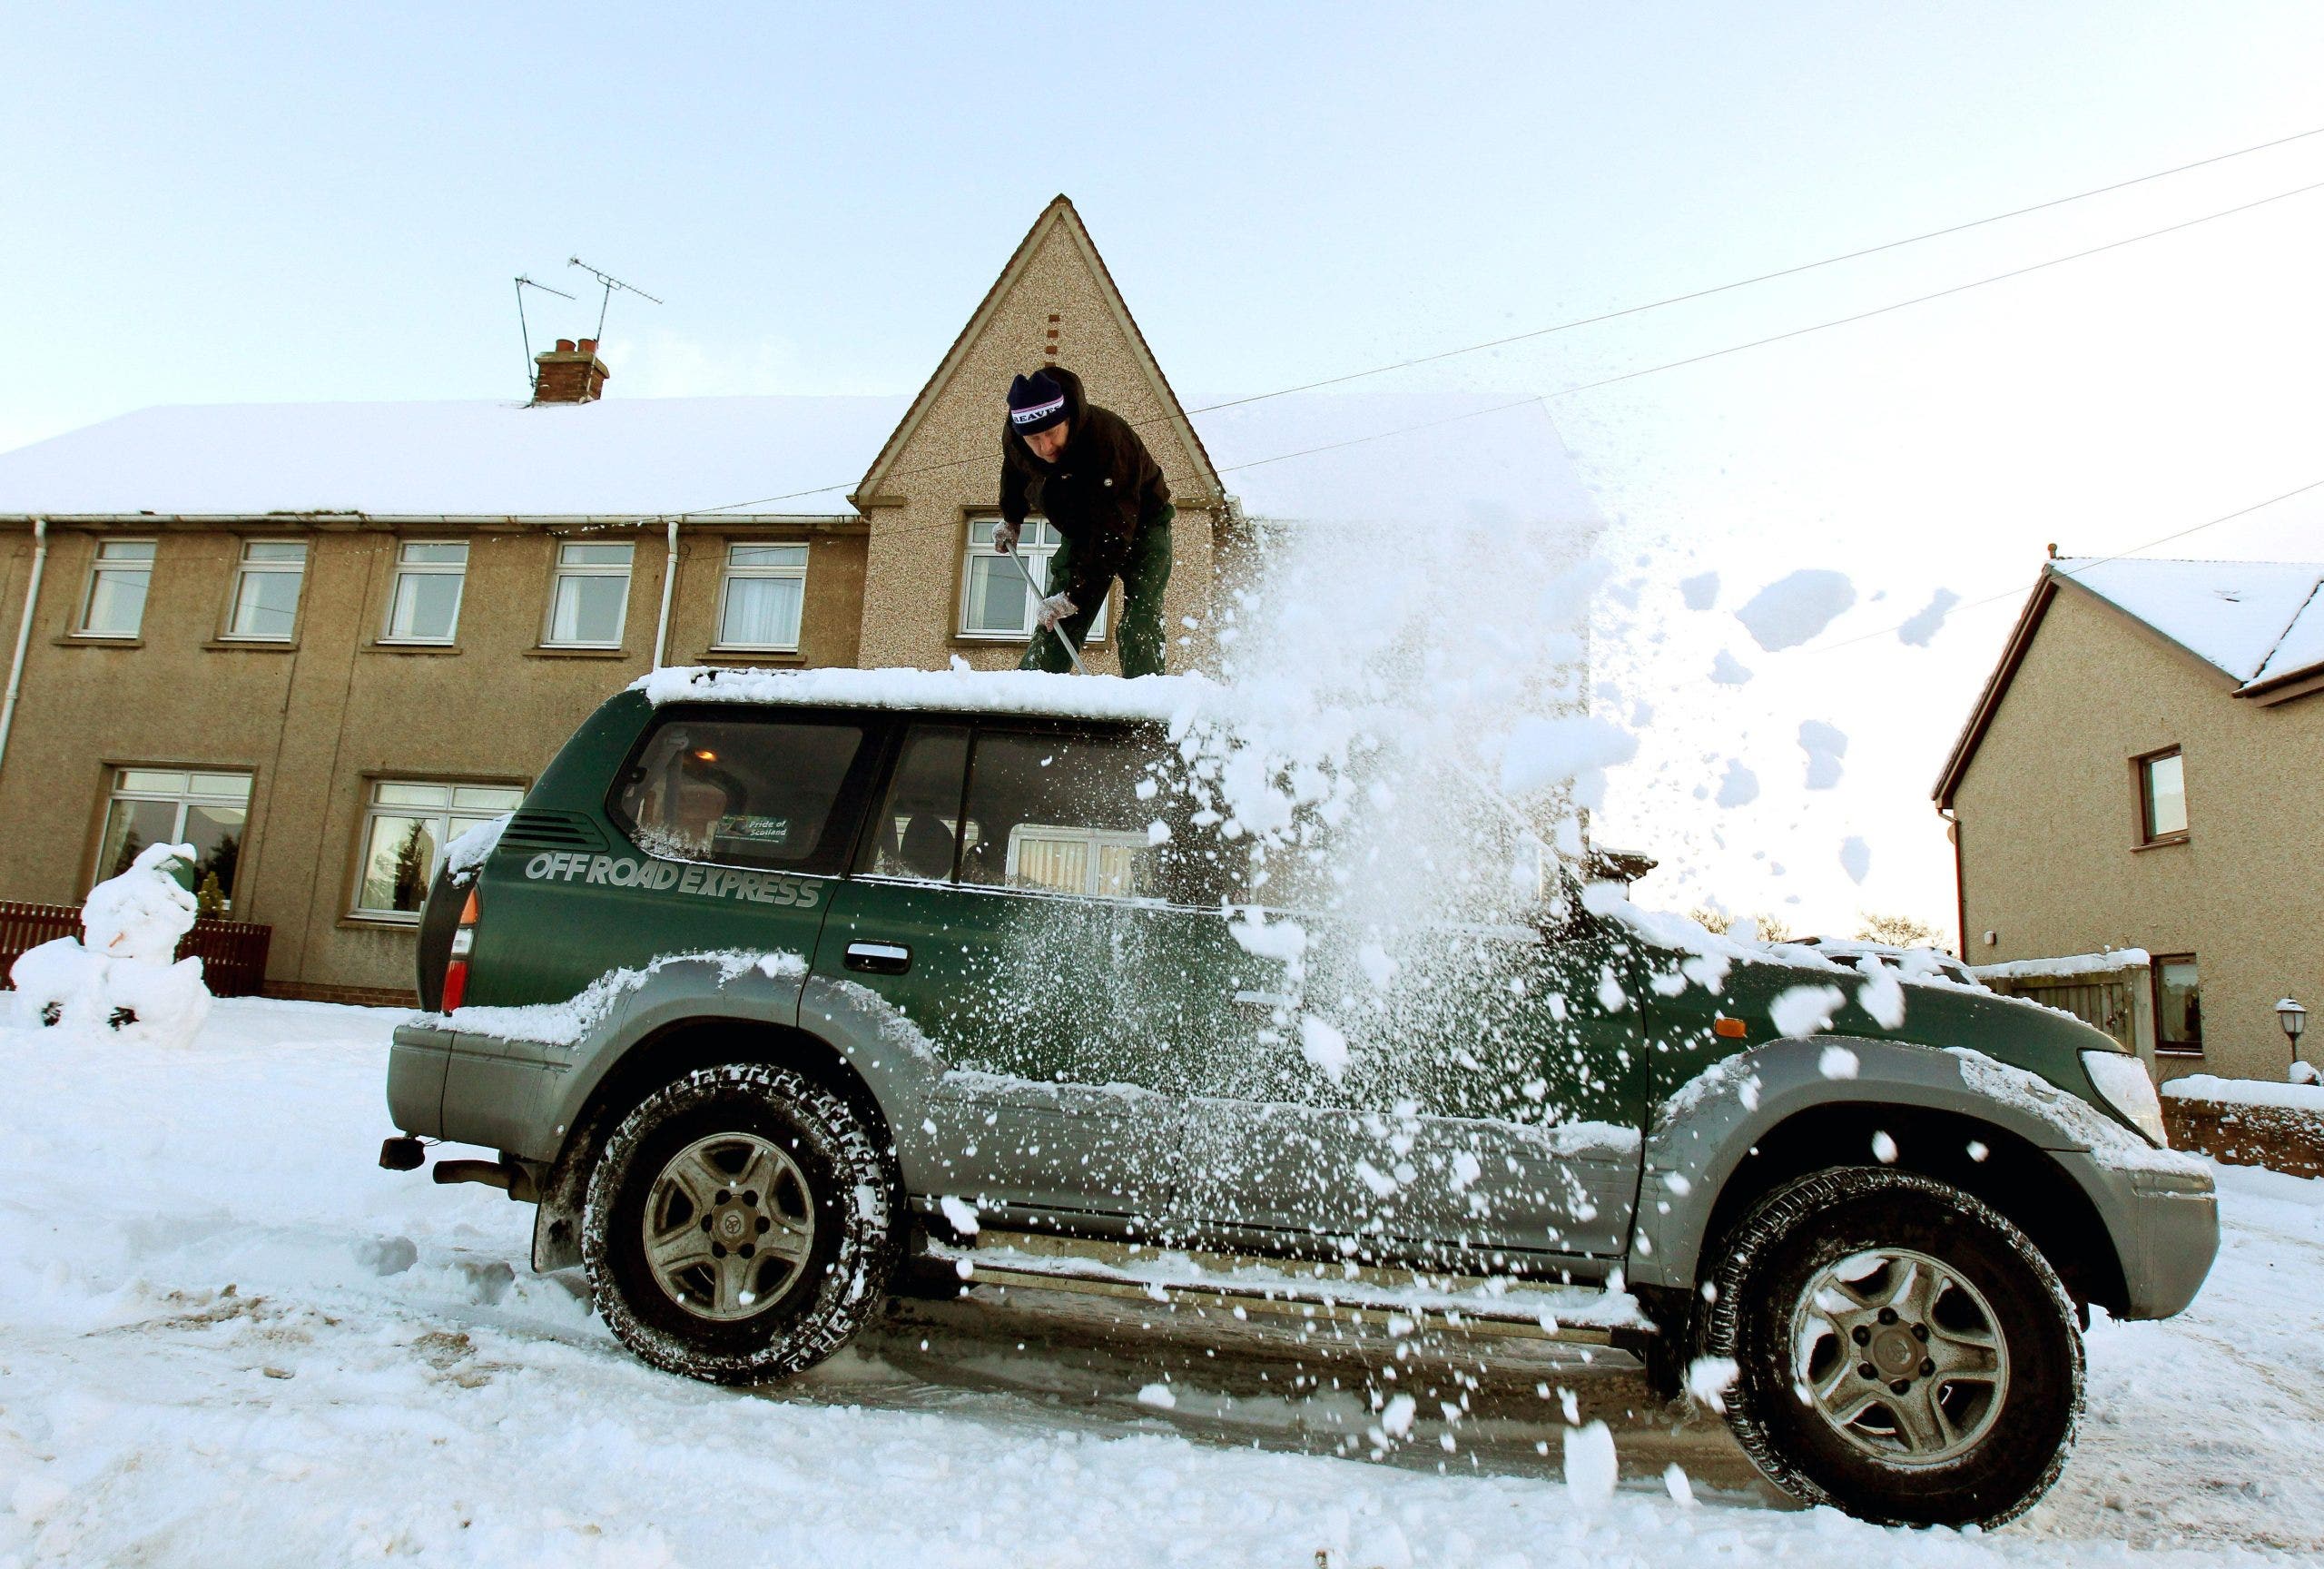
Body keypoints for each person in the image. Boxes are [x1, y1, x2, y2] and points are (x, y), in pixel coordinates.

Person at [998, 366, 1174, 676]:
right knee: (1057, 617)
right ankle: (1033, 693)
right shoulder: (1016, 436)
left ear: (1067, 419)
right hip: (1081, 528)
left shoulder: (1106, 443)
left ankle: (1145, 698)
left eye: (1051, 433)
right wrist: (1012, 519)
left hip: (1142, 522)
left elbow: (1113, 534)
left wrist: (1075, 596)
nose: (1044, 447)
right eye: (1034, 439)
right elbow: (1015, 472)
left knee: (1141, 616)